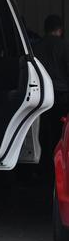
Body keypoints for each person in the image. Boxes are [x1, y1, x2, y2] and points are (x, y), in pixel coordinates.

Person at [33, 14, 69, 176]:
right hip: (61, 97)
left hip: (41, 97)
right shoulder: (64, 46)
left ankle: (43, 169)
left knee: (42, 133)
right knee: (60, 135)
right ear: (60, 30)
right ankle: (58, 169)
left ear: (45, 29)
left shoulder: (36, 47)